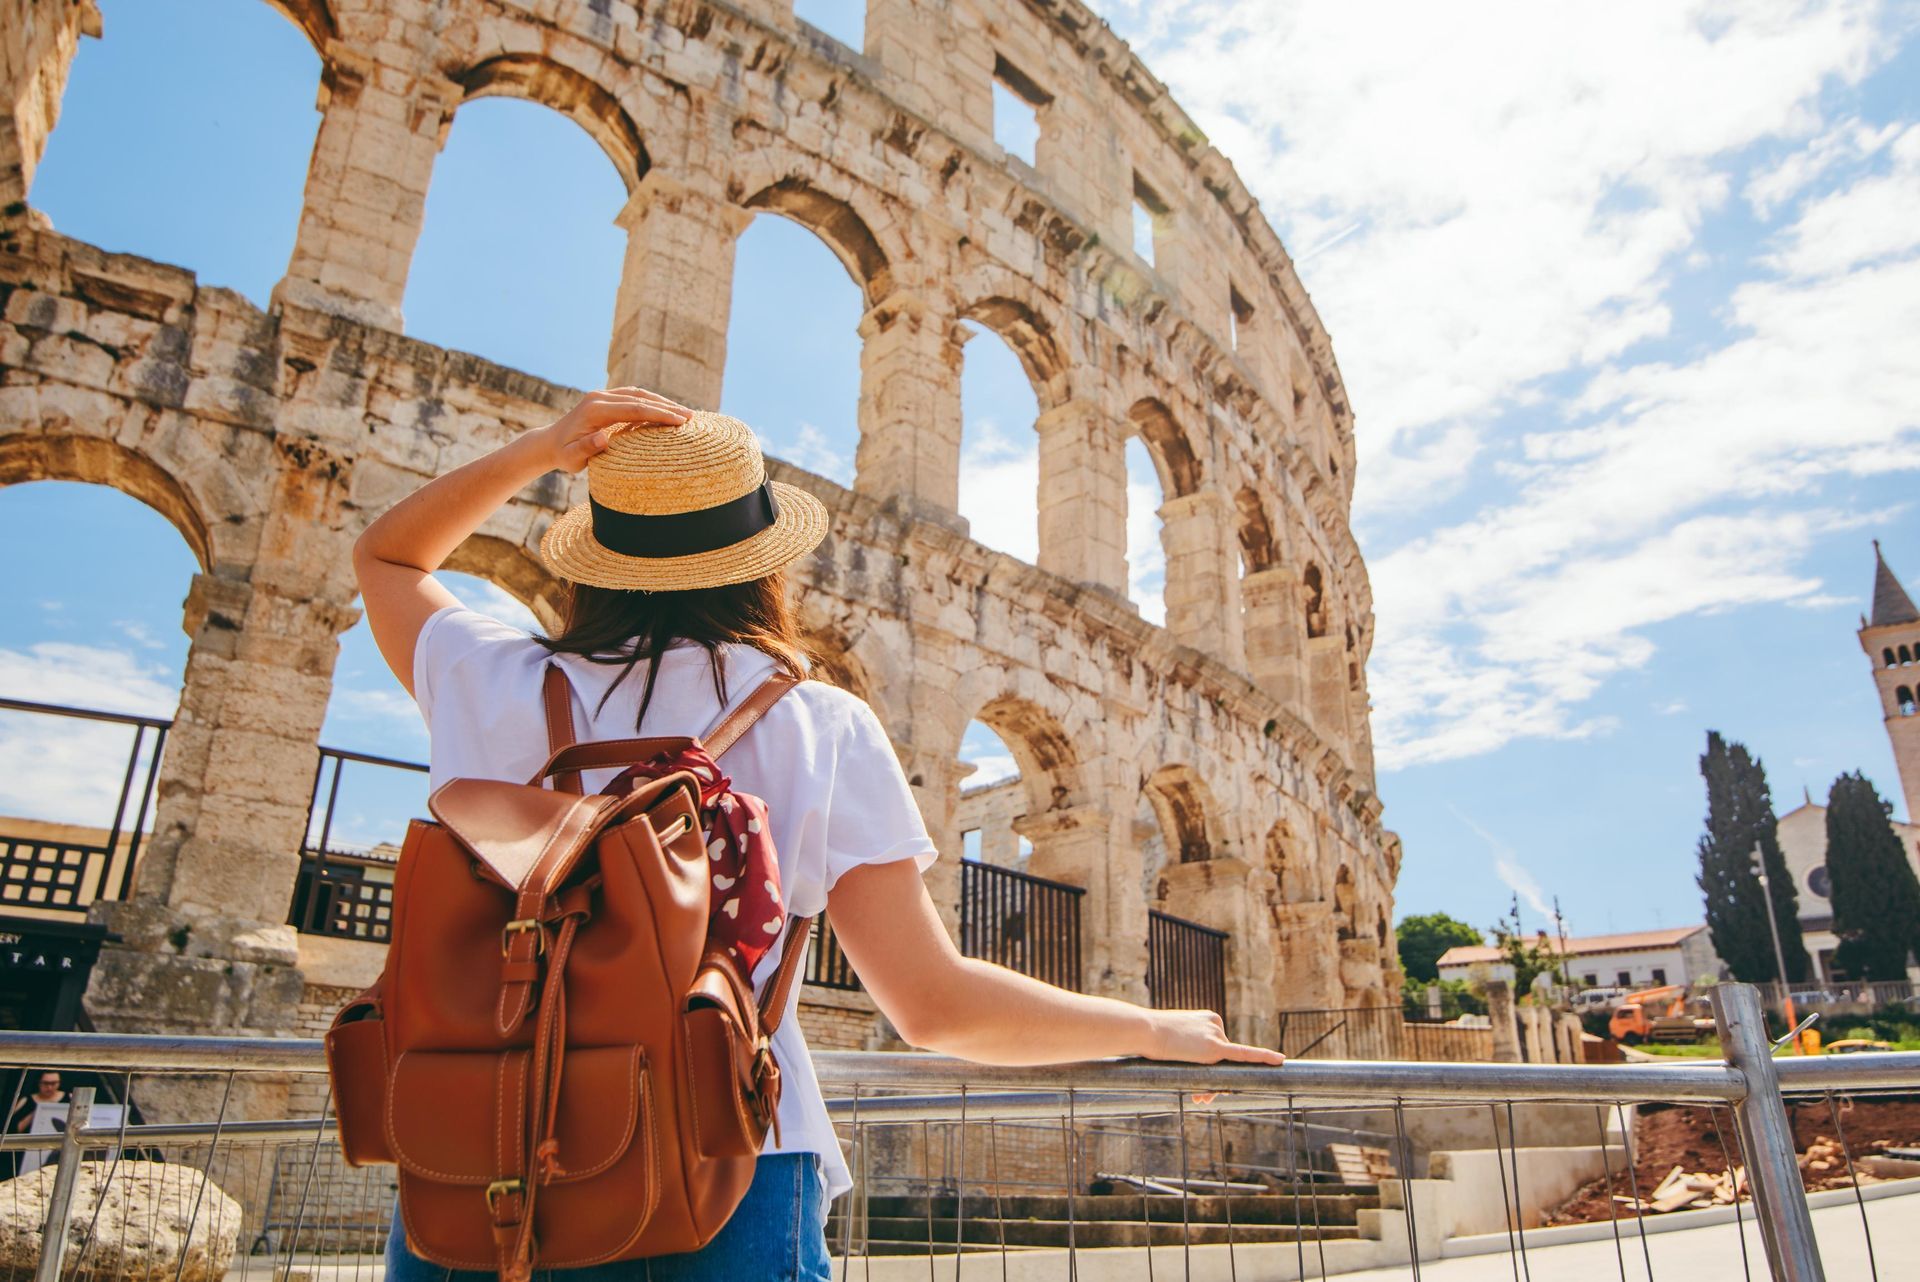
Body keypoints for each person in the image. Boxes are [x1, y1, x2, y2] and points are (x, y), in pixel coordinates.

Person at [354, 388, 1284, 1281]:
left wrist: (542, 449)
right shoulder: (819, 723)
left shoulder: (485, 677)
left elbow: (387, 558)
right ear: (766, 561)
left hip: (483, 1158)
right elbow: (934, 1006)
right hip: (731, 1166)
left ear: (596, 558)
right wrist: (1152, 1027)